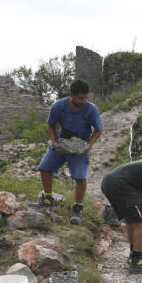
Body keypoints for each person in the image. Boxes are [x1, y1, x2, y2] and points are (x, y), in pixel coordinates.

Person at [37, 79, 103, 225]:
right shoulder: (58, 106)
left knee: (80, 178)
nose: (84, 101)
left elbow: (98, 131)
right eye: (80, 98)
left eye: (86, 97)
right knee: (44, 168)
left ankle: (77, 209)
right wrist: (54, 143)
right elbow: (50, 125)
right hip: (62, 142)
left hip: (80, 146)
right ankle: (48, 198)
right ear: (71, 95)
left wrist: (88, 146)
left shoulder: (91, 109)